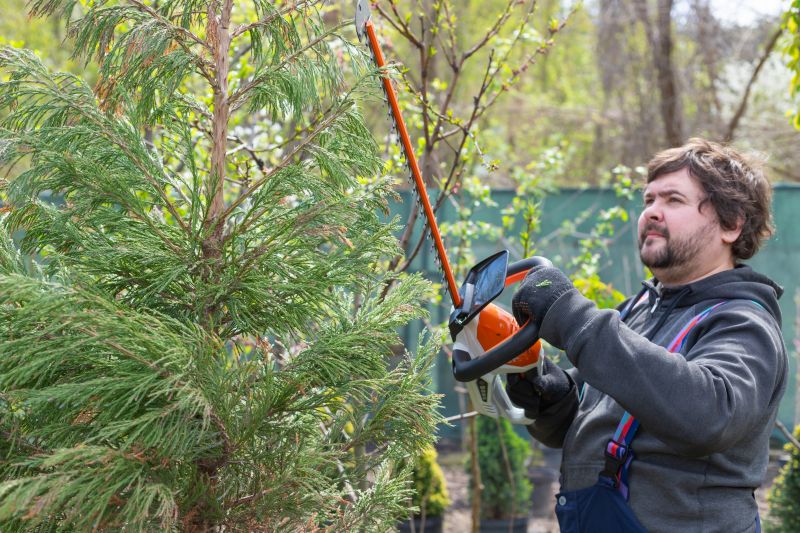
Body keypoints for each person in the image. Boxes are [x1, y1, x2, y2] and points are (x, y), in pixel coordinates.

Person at [506, 138, 787, 533]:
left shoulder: (743, 321)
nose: (652, 213)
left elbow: (710, 414)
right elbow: (589, 430)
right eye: (648, 200)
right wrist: (554, 399)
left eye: (673, 200)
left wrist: (576, 320)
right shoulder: (639, 309)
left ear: (731, 224)